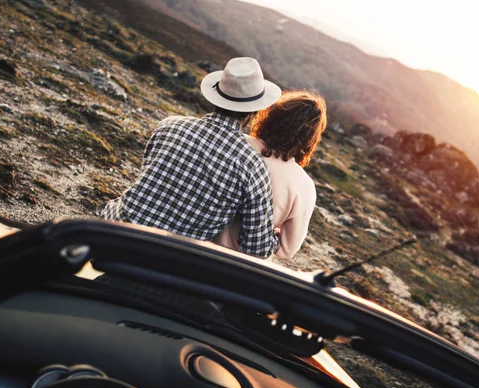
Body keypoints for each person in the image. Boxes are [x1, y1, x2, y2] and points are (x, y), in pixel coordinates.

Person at [102, 57, 282, 259]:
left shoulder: (169, 125)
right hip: (165, 258)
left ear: (217, 97)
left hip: (113, 232)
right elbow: (255, 247)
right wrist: (274, 239)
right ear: (252, 113)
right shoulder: (252, 165)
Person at [214, 90, 327, 259]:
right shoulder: (303, 185)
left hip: (195, 246)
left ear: (271, 117)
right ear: (310, 138)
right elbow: (286, 250)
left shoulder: (234, 142)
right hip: (241, 266)